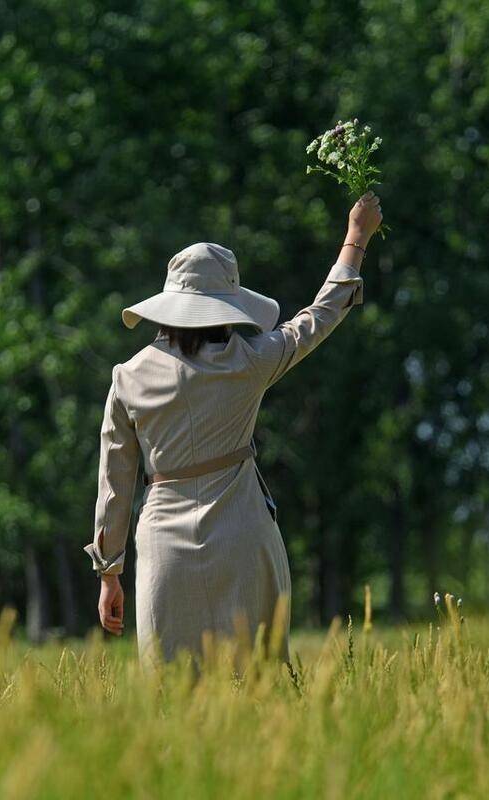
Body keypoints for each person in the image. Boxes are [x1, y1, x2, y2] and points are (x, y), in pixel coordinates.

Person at [83, 192, 384, 667]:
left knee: (172, 689)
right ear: (226, 305)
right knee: (259, 682)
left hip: (165, 544)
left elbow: (115, 485)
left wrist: (109, 573)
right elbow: (318, 317)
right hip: (243, 533)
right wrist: (356, 238)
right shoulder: (250, 361)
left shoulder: (128, 376)